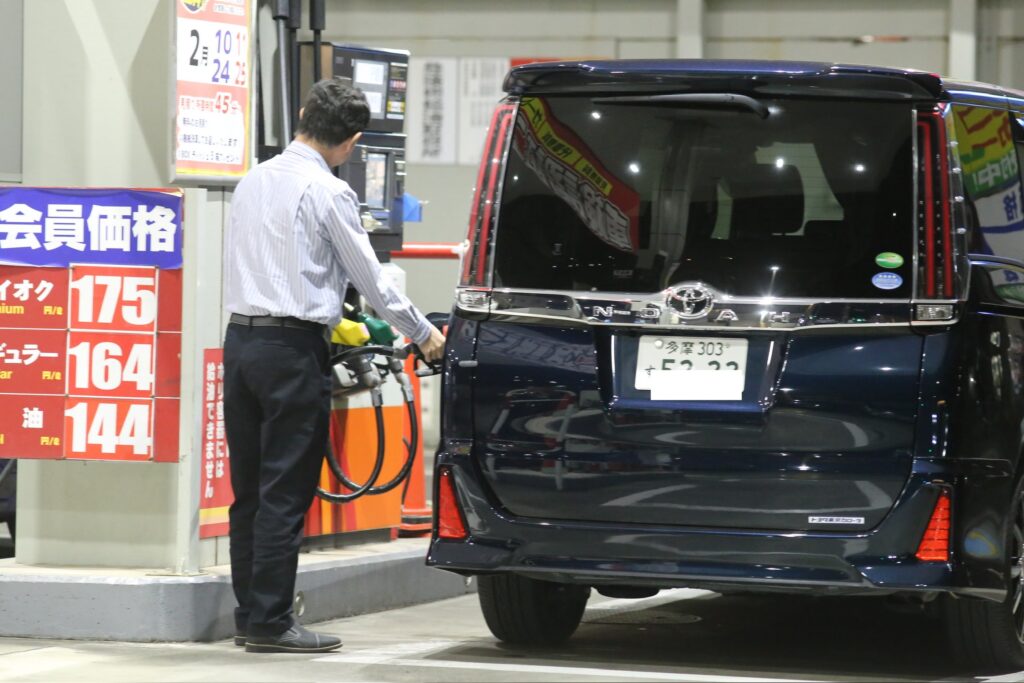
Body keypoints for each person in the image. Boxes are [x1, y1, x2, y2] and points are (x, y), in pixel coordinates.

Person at [222, 77, 445, 654]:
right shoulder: (328, 193)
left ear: (300, 115)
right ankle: (271, 624)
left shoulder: (252, 180)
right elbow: (370, 278)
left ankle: (250, 615)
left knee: (247, 490)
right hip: (292, 352)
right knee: (284, 490)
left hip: (240, 344)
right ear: (352, 141)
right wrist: (424, 334)